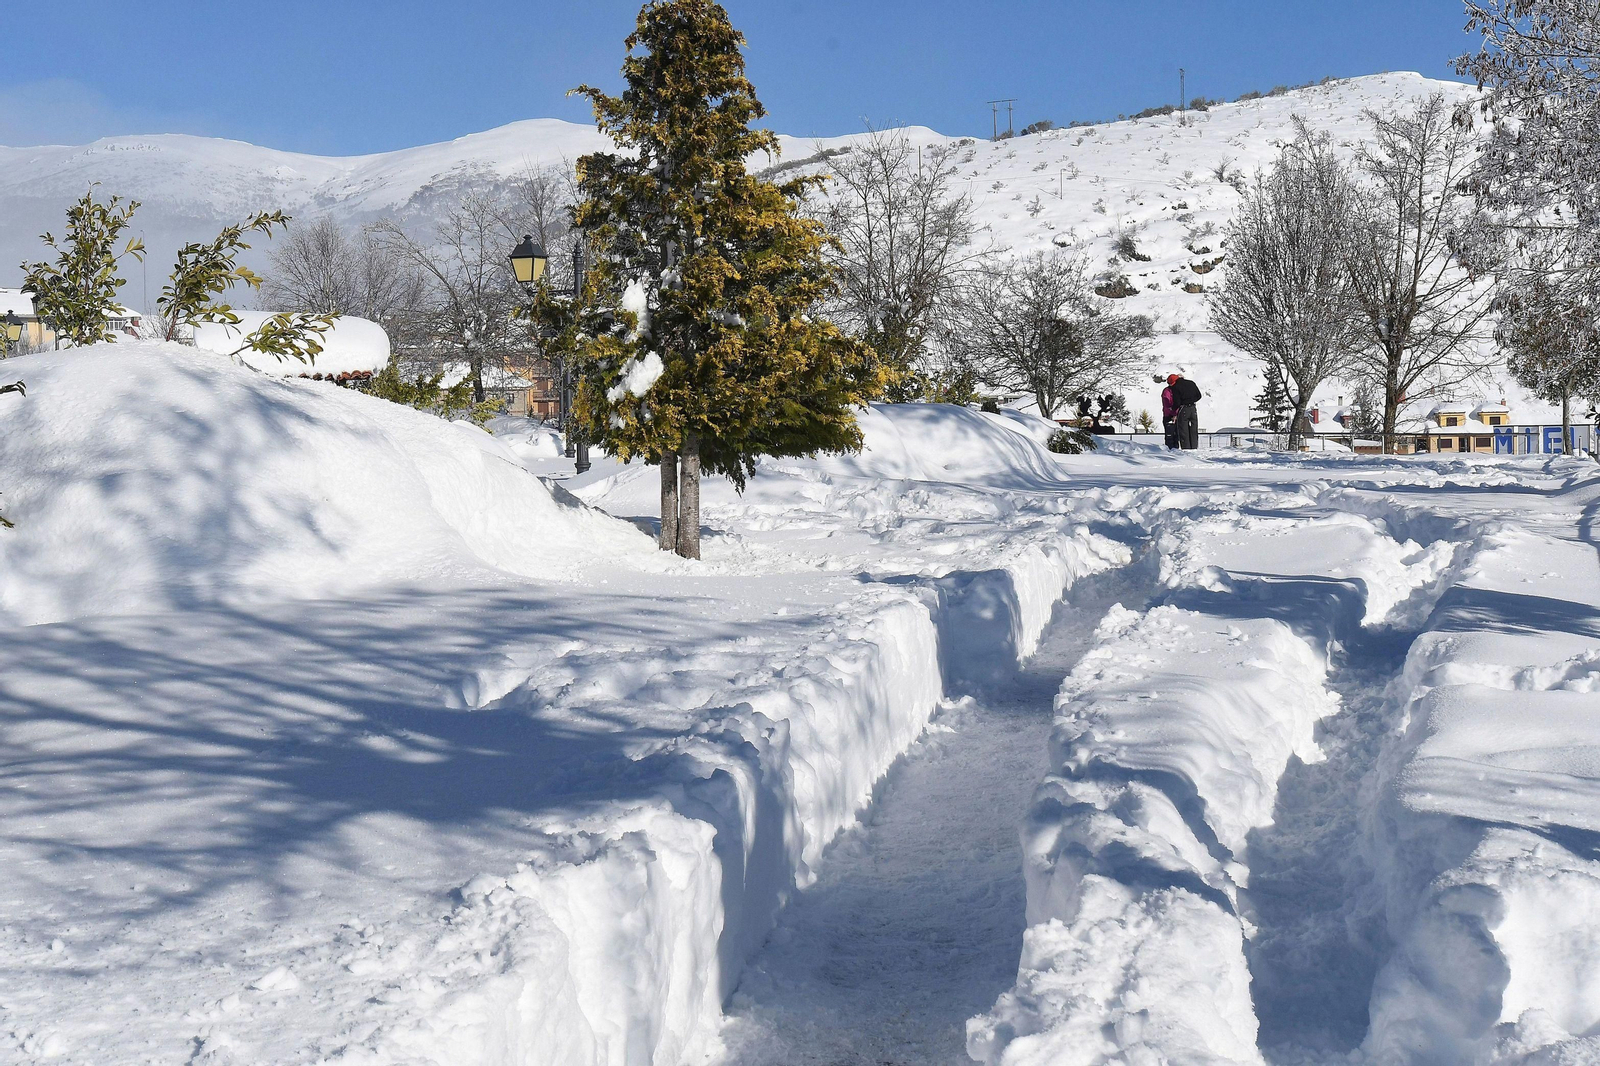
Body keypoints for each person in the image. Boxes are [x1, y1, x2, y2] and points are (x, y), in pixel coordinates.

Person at [1170, 372, 1202, 449]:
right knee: (1193, 429)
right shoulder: (1191, 383)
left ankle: (1186, 448)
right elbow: (1199, 396)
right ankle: (1194, 447)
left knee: (1183, 430)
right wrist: (1191, 400)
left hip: (1183, 409)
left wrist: (1173, 409)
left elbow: (1177, 402)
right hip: (1193, 408)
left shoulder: (1176, 387)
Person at [1156, 374, 1179, 449]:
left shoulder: (1174, 391)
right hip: (1169, 417)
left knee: (1176, 438)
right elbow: (1167, 405)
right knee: (1170, 438)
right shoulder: (1167, 392)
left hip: (1175, 416)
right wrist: (1174, 414)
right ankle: (1170, 451)